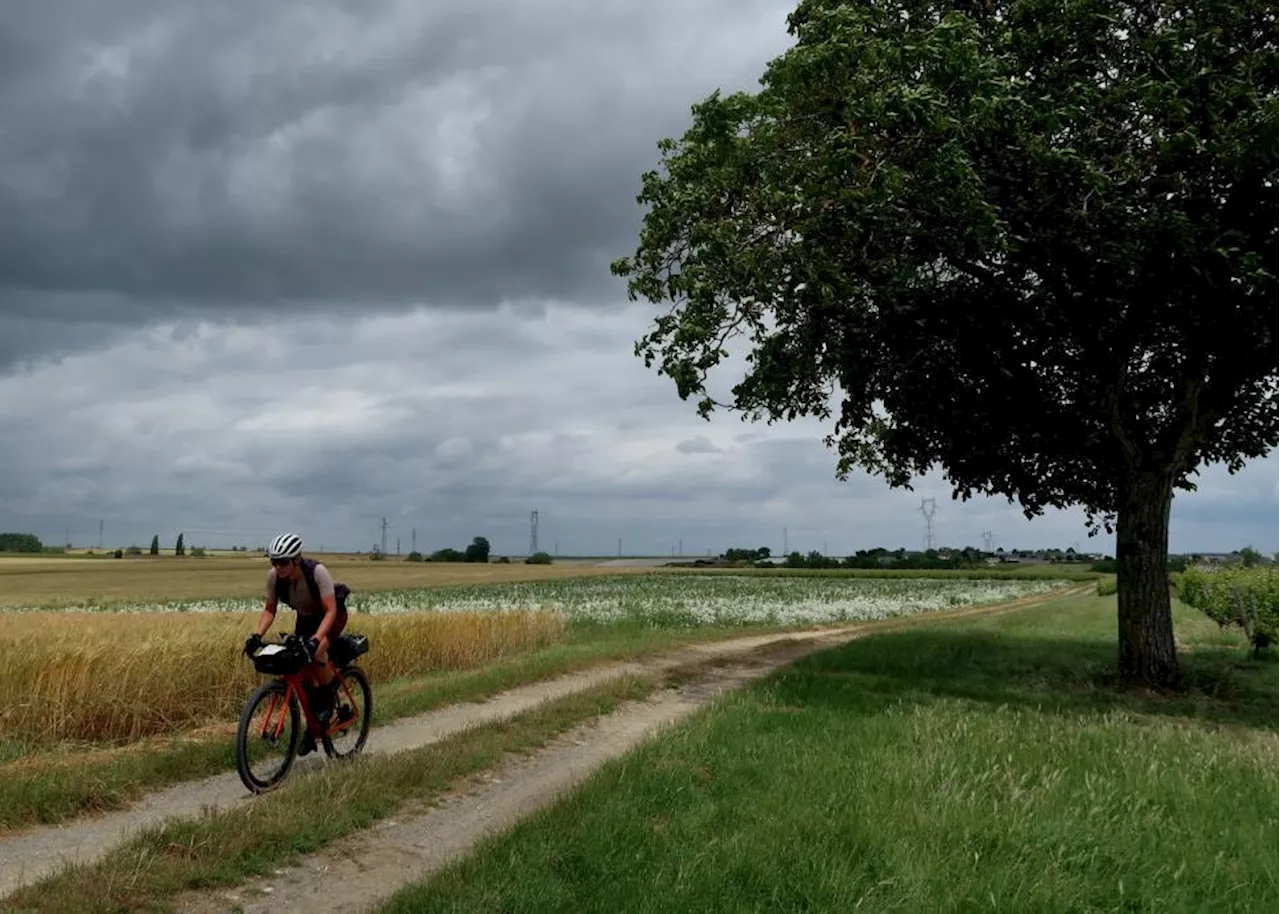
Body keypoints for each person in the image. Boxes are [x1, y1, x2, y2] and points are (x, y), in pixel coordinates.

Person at [243, 532, 348, 755]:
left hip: (331, 615)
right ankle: (313, 727)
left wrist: (316, 640)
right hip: (306, 617)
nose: (278, 567)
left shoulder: (317, 572)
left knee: (317, 653)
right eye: (274, 562)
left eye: (283, 562)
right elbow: (270, 610)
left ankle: (329, 699)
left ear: (296, 559)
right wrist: (257, 635)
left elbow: (331, 611)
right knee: (300, 664)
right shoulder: (274, 577)